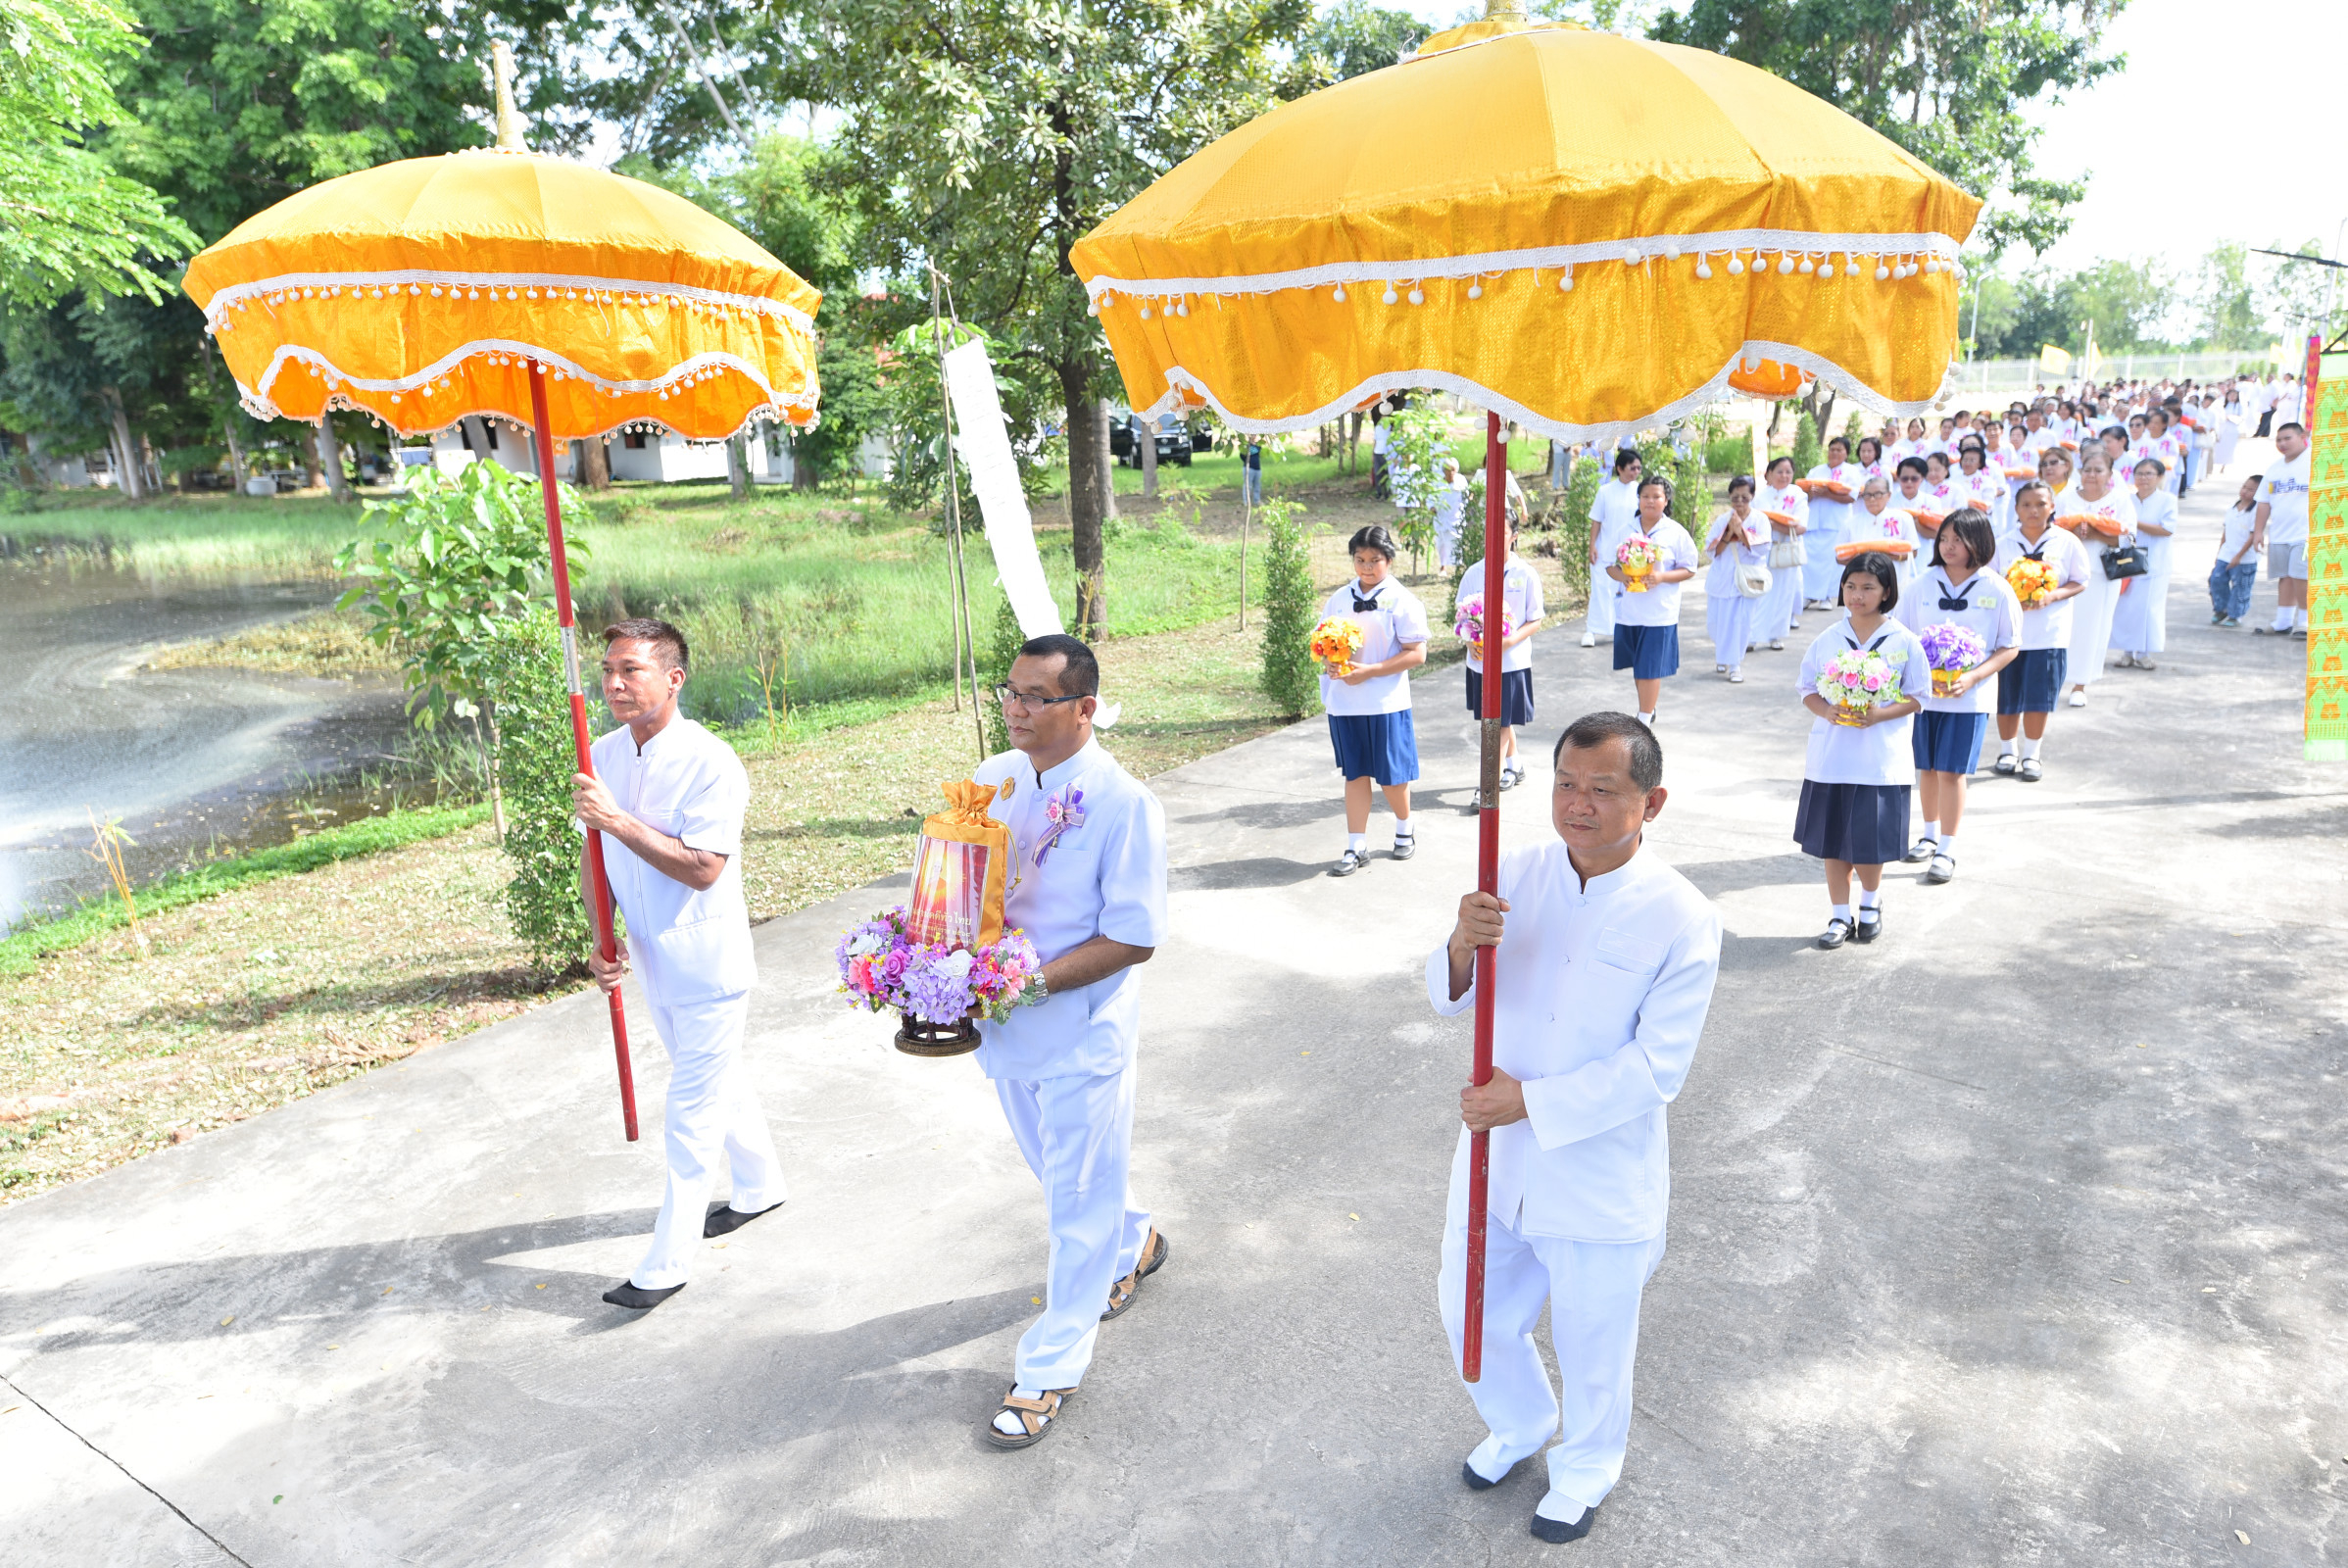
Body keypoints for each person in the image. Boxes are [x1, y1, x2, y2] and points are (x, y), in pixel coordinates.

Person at [1432, 712, 1721, 1546]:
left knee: (1595, 1338)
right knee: (1471, 1311)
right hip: (1496, 1152)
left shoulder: (1682, 915)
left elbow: (1657, 1068)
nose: (1578, 805)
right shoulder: (1511, 871)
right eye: (1565, 784)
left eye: (1603, 789)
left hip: (1596, 1168)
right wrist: (1461, 940)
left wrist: (1530, 1102)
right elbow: (1450, 988)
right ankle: (1519, 1424)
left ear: (1651, 801)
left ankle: (1587, 1466)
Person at [970, 634, 1170, 1449]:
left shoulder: (1124, 803)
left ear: (1083, 708)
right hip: (999, 1027)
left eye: (1036, 697)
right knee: (1063, 1176)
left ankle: (1049, 1371)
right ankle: (1138, 1239)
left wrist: (1031, 984)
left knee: (1073, 1208)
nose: (1016, 709)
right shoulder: (990, 781)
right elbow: (957, 884)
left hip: (1081, 1031)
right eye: (1010, 692)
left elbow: (1135, 935)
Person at [572, 618, 781, 1312]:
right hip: (653, 956)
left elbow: (702, 868)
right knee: (718, 1077)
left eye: (631, 670)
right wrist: (602, 937)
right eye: (608, 670)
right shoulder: (600, 751)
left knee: (690, 1109)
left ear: (673, 678)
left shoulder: (711, 761)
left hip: (708, 963)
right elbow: (593, 853)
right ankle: (760, 1184)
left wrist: (618, 822)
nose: (613, 684)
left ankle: (667, 1262)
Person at [1796, 554, 1927, 946]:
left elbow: (1920, 697)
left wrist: (1880, 715)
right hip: (1833, 759)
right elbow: (1807, 690)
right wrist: (1829, 711)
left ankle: (1870, 903)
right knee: (1833, 841)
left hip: (1879, 760)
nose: (1857, 595)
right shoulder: (1828, 639)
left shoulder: (1903, 641)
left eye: (1868, 587)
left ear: (1887, 591)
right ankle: (1839, 915)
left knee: (1870, 842)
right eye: (1851, 586)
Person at [1895, 510, 2020, 885]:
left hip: (1969, 699)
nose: (1949, 547)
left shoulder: (1996, 588)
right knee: (1927, 769)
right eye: (1944, 539)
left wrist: (1973, 678)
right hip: (1926, 698)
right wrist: (1914, 679)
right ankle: (1929, 834)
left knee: (1952, 772)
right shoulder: (1922, 583)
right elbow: (1901, 635)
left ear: (1978, 543)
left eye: (1958, 540)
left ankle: (1947, 848)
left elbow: (2009, 646)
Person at [1321, 524, 1429, 874]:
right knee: (1355, 774)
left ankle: (1404, 827)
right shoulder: (1338, 599)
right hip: (1345, 702)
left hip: (1386, 703)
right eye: (1360, 559)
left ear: (1390, 560)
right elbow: (1322, 644)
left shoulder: (1403, 601)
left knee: (1392, 777)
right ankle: (1356, 845)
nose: (1367, 567)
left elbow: (1417, 654)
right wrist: (1329, 661)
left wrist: (1369, 671)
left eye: (1375, 560)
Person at [1989, 480, 2089, 780]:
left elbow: (2080, 579)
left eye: (2041, 504)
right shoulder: (2004, 543)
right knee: (2007, 696)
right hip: (2010, 635)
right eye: (2026, 505)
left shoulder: (2066, 542)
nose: (2034, 511)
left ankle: (2032, 754)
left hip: (2049, 632)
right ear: (2016, 508)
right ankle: (2008, 750)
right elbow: (1990, 581)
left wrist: (2052, 595)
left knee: (2039, 697)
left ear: (2052, 506)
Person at [1604, 473, 1699, 727]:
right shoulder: (1625, 531)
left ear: (1665, 500)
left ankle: (1643, 719)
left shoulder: (1675, 533)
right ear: (1638, 499)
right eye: (1645, 496)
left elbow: (1690, 568)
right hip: (1630, 610)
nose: (1650, 501)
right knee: (1638, 667)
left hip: (1660, 612)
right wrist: (1623, 576)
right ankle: (1648, 707)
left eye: (1656, 496)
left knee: (1649, 667)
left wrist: (1661, 577)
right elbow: (1609, 566)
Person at [1459, 509, 1545, 787]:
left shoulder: (1526, 574)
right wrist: (1471, 641)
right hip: (1480, 663)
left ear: (1514, 537)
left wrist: (1508, 641)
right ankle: (1514, 766)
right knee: (1495, 720)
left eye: (1502, 533)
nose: (1493, 539)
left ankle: (1487, 785)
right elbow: (1460, 616)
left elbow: (1535, 619)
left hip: (1511, 662)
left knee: (1497, 723)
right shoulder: (1473, 574)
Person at [2055, 448, 2137, 708]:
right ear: (2079, 472)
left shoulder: (2120, 499)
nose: (2092, 475)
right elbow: (2051, 528)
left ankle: (2081, 684)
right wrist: (2073, 531)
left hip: (2102, 573)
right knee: (2063, 626)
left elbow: (2129, 537)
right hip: (2065, 570)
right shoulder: (2067, 497)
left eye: (2099, 470)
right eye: (2087, 469)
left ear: (2110, 474)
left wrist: (2097, 533)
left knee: (2093, 628)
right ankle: (2056, 679)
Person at [2109, 458, 2177, 669]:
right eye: (2139, 473)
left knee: (2149, 610)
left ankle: (2145, 653)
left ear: (2159, 477)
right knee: (2126, 609)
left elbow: (2166, 529)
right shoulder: (2126, 500)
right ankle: (2127, 652)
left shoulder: (2167, 500)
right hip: (2128, 561)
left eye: (2149, 474)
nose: (2143, 478)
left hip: (2155, 562)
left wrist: (2134, 523)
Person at [1703, 474, 1770, 683]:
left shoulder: (1760, 519)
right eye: (1735, 498)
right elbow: (1711, 551)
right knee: (1717, 623)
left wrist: (1740, 533)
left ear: (1752, 496)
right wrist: (1728, 532)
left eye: (1744, 498)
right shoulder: (1723, 519)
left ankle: (1735, 665)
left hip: (1747, 581)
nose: (1739, 503)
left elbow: (1762, 548)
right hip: (1722, 579)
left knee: (1741, 623)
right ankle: (1722, 657)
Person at [2252, 422, 2312, 638]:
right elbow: (2263, 502)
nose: (2282, 444)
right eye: (2279, 440)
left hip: (2307, 533)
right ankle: (2283, 621)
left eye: (2288, 438)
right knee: (2285, 577)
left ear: (2303, 436)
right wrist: (2259, 532)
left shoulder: (2315, 461)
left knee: (2301, 576)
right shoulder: (2275, 468)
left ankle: (2306, 622)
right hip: (2280, 533)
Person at [1582, 448, 1642, 647]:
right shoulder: (1605, 491)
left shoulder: (1641, 492)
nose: (1636, 472)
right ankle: (1592, 630)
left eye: (1638, 468)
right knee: (1601, 589)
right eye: (1632, 468)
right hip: (1605, 548)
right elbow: (1597, 520)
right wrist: (1592, 546)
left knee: (1627, 591)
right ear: (1620, 468)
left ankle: (1623, 630)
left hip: (1632, 551)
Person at [1803, 439, 1862, 609]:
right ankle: (1810, 594)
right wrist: (1811, 493)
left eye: (1839, 450)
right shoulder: (1816, 471)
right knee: (1812, 560)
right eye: (1832, 449)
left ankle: (1827, 597)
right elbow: (1804, 495)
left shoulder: (1851, 472)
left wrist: (1827, 494)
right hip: (1814, 522)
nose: (1834, 453)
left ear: (1846, 453)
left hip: (1836, 523)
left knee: (1832, 562)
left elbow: (1852, 497)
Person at [1759, 453, 1811, 643]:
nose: (1784, 476)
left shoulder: (1798, 495)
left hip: (1786, 551)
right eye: (1779, 471)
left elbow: (1801, 528)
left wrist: (1772, 524)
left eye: (1788, 472)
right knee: (1761, 593)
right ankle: (1755, 635)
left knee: (1783, 594)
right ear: (1769, 474)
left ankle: (1776, 635)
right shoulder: (1760, 497)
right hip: (1763, 550)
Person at [2207, 472, 2264, 628]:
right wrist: (2220, 552)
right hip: (2226, 554)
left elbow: (2252, 536)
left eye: (2251, 490)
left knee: (2241, 586)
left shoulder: (2257, 511)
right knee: (2216, 580)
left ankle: (2236, 614)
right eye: (2244, 487)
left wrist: (2239, 556)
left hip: (2245, 558)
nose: (2245, 491)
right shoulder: (2233, 508)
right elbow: (2226, 532)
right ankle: (2221, 609)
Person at [1433, 456, 1469, 569]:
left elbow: (1466, 497)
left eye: (1453, 470)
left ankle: (1457, 567)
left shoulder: (1461, 481)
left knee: (1456, 543)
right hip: (1441, 518)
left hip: (1456, 518)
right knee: (1441, 543)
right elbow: (1431, 498)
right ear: (1444, 471)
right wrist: (1431, 508)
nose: (1451, 472)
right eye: (1449, 470)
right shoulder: (1438, 483)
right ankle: (1443, 566)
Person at [1242, 437, 1265, 508]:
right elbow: (1242, 455)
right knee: (1248, 485)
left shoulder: (1258, 446)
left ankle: (1257, 500)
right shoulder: (1246, 446)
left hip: (1257, 468)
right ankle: (1246, 501)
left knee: (1257, 485)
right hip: (1249, 468)